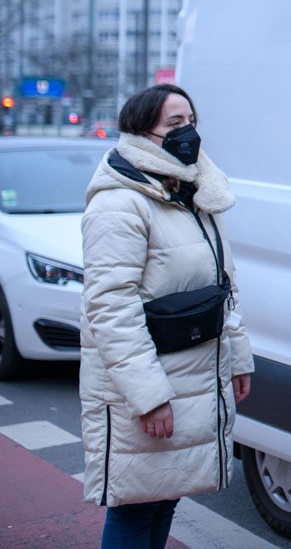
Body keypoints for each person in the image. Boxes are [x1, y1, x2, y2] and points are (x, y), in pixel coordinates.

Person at [80, 84, 253, 549]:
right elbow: (110, 308)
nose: (188, 133)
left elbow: (223, 286)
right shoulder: (120, 202)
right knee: (136, 507)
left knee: (163, 497)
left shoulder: (196, 193)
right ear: (141, 134)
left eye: (191, 121)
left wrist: (238, 357)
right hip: (149, 382)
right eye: (174, 124)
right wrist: (148, 396)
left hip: (193, 374)